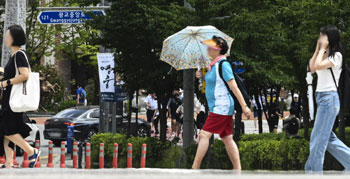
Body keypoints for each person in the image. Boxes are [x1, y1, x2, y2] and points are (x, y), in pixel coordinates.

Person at [192, 36, 252, 170]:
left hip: (222, 106)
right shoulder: (212, 66)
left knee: (204, 135)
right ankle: (238, 170)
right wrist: (201, 76)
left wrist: (244, 106)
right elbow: (212, 84)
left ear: (218, 49)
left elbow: (234, 87)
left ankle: (194, 169)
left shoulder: (223, 65)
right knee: (227, 138)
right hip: (217, 106)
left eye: (210, 46)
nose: (207, 48)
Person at [306, 25, 350, 172]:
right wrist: (317, 49)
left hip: (329, 99)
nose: (320, 38)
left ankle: (313, 171)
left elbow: (318, 66)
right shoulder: (324, 54)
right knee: (328, 139)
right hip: (322, 98)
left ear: (330, 38)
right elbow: (312, 68)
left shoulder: (337, 56)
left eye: (322, 36)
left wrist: (322, 48)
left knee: (318, 139)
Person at [0, 25, 40, 168]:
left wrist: (6, 82)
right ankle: (9, 162)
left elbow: (25, 75)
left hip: (14, 99)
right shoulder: (13, 55)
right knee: (6, 130)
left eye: (8, 35)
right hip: (9, 98)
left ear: (14, 37)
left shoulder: (19, 55)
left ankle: (31, 151)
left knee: (6, 128)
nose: (5, 37)